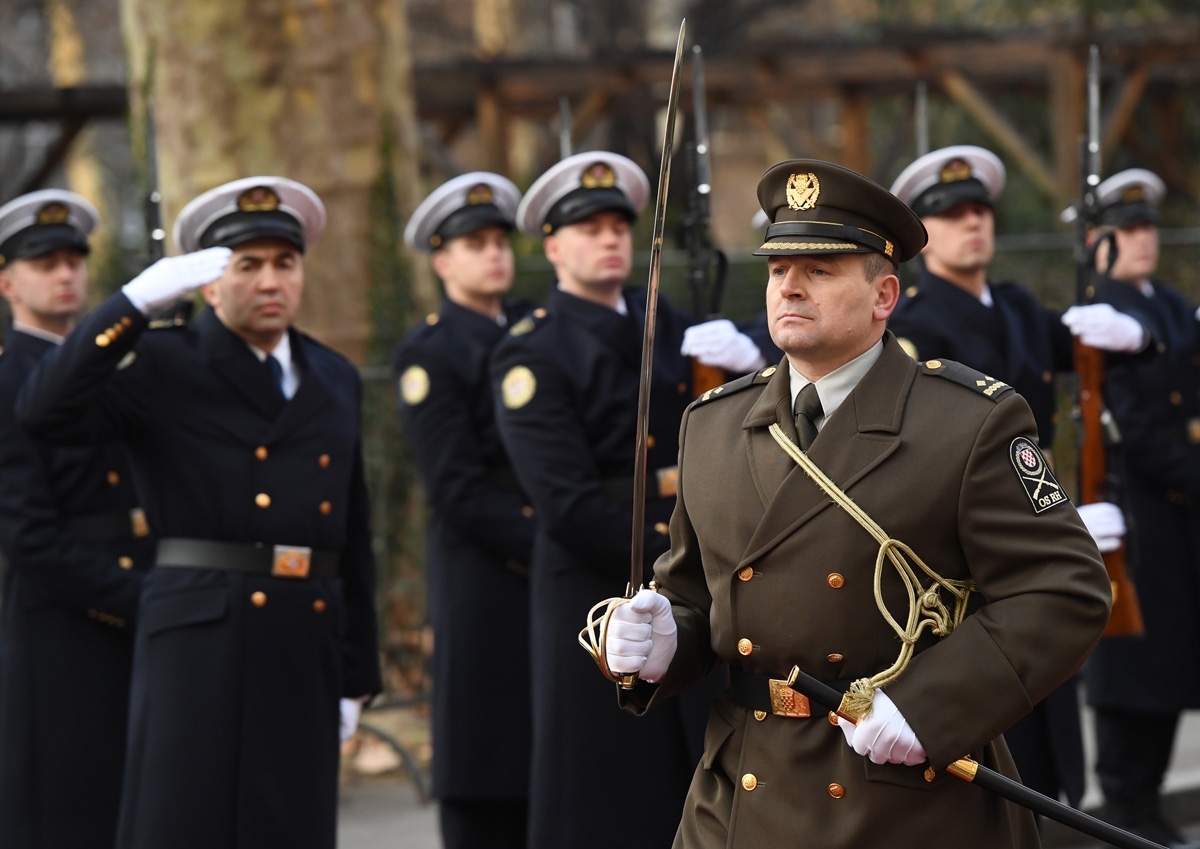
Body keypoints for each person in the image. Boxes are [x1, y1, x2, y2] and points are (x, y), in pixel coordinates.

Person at [604, 159, 1112, 849]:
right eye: (779, 269)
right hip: (741, 793)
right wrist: (662, 639)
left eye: (820, 269)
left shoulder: (967, 422)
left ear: (885, 295)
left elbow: (1065, 589)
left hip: (904, 794)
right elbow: (695, 591)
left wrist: (932, 705)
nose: (789, 286)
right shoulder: (713, 423)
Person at [16, 176, 382, 849]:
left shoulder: (332, 375)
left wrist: (358, 674)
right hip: (201, 634)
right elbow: (43, 411)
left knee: (290, 827)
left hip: (304, 630)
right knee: (189, 823)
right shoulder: (162, 360)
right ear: (210, 285)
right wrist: (130, 306)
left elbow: (349, 530)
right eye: (248, 265)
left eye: (286, 263)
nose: (270, 280)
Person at [886, 145, 1146, 806]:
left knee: (1047, 706)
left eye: (980, 211)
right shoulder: (911, 323)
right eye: (952, 215)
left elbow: (1095, 361)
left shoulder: (1018, 307)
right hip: (967, 542)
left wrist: (1139, 332)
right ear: (922, 232)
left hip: (1041, 515)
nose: (973, 223)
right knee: (1001, 737)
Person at [490, 151, 731, 849]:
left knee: (694, 780)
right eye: (589, 228)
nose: (610, 239)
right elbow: (566, 504)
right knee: (605, 788)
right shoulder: (533, 351)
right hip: (596, 586)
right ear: (553, 247)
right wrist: (686, 552)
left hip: (684, 578)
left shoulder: (674, 325)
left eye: (619, 227)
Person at [0, 189, 155, 848]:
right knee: (68, 811)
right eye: (45, 263)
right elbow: (28, 535)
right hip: (63, 624)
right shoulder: (8, 381)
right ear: (7, 282)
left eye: (73, 260)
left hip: (141, 602)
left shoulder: (111, 367)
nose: (65, 274)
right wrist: (137, 596)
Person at [393, 172, 535, 849]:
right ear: (442, 260)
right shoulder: (431, 352)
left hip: (545, 548)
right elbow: (456, 487)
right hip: (485, 566)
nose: (494, 255)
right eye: (475, 245)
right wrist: (551, 538)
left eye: (500, 242)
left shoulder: (534, 329)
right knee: (489, 744)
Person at [1081, 168, 1200, 849]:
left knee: (1171, 659)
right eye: (1127, 229)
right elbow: (1135, 424)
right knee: (1133, 665)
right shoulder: (1102, 311)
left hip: (1178, 513)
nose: (1143, 239)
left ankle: (1147, 804)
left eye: (1149, 226)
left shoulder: (1169, 305)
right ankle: (1126, 805)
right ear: (1098, 242)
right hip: (1134, 507)